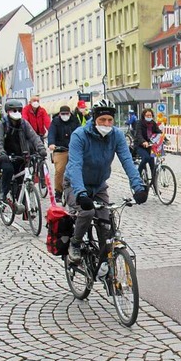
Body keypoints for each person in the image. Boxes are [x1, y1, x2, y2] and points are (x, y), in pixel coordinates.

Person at [64, 99, 148, 264]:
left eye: (110, 120)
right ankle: (75, 242)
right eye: (102, 120)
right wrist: (81, 193)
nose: (106, 123)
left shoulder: (116, 135)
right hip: (75, 185)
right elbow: (75, 165)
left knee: (106, 225)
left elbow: (127, 160)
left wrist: (138, 187)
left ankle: (106, 267)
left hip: (99, 186)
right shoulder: (79, 135)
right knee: (87, 212)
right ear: (94, 118)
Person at [0, 99, 47, 205]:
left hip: (20, 154)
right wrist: (1, 153)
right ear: (8, 112)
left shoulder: (24, 123)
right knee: (8, 170)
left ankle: (24, 202)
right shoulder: (2, 124)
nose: (16, 112)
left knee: (24, 175)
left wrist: (41, 149)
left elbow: (34, 137)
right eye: (13, 110)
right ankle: (4, 193)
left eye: (18, 110)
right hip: (5, 156)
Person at [48, 105, 80, 202]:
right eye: (63, 114)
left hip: (73, 150)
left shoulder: (74, 121)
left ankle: (79, 190)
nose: (65, 115)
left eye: (67, 114)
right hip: (59, 150)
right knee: (59, 171)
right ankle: (58, 192)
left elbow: (79, 132)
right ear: (59, 114)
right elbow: (51, 133)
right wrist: (51, 143)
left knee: (78, 169)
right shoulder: (55, 122)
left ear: (70, 114)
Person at [134, 108, 162, 184]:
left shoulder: (153, 123)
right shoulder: (139, 123)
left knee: (153, 167)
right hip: (139, 145)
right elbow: (138, 134)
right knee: (146, 157)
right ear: (144, 115)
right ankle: (137, 175)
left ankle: (154, 185)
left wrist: (165, 139)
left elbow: (158, 132)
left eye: (150, 115)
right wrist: (143, 142)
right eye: (147, 115)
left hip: (149, 146)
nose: (149, 116)